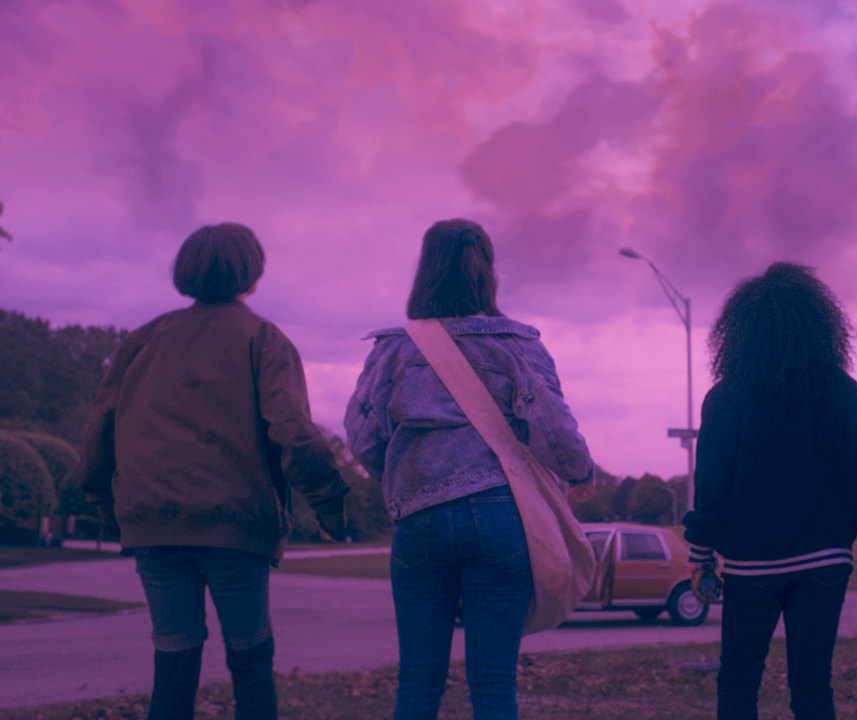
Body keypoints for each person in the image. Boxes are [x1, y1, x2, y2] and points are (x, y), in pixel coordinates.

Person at [76, 223, 350, 720]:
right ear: (253, 274)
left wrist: (107, 506)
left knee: (174, 662)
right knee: (250, 660)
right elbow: (291, 429)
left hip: (153, 524)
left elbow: (100, 431)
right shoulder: (264, 339)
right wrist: (331, 506)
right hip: (235, 526)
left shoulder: (142, 341)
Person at [344, 218, 596, 720]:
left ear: (426, 271)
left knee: (417, 680)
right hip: (502, 517)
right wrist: (582, 474)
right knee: (494, 682)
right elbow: (557, 435)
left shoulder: (392, 351)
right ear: (487, 273)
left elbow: (363, 438)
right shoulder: (517, 346)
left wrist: (401, 475)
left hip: (418, 517)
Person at [682, 262, 857, 720]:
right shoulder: (841, 391)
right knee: (812, 681)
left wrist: (700, 555)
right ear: (820, 324)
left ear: (738, 332)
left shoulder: (725, 398)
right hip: (824, 562)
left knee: (738, 678)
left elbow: (711, 484)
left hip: (748, 565)